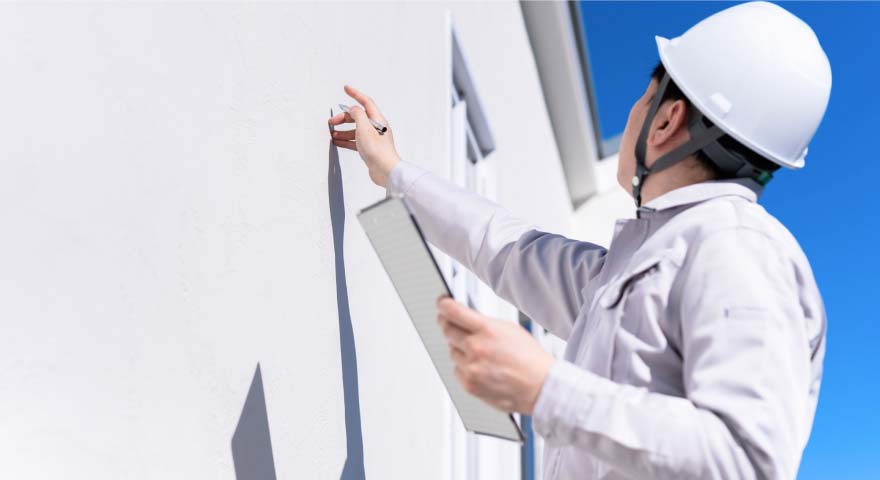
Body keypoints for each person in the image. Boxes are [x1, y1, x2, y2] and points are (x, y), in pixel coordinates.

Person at [327, 2, 830, 478]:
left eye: (641, 97)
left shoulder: (737, 247)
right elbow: (505, 247)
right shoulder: (642, 265)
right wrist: (391, 169)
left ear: (665, 120)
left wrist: (547, 389)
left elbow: (748, 464)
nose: (633, 111)